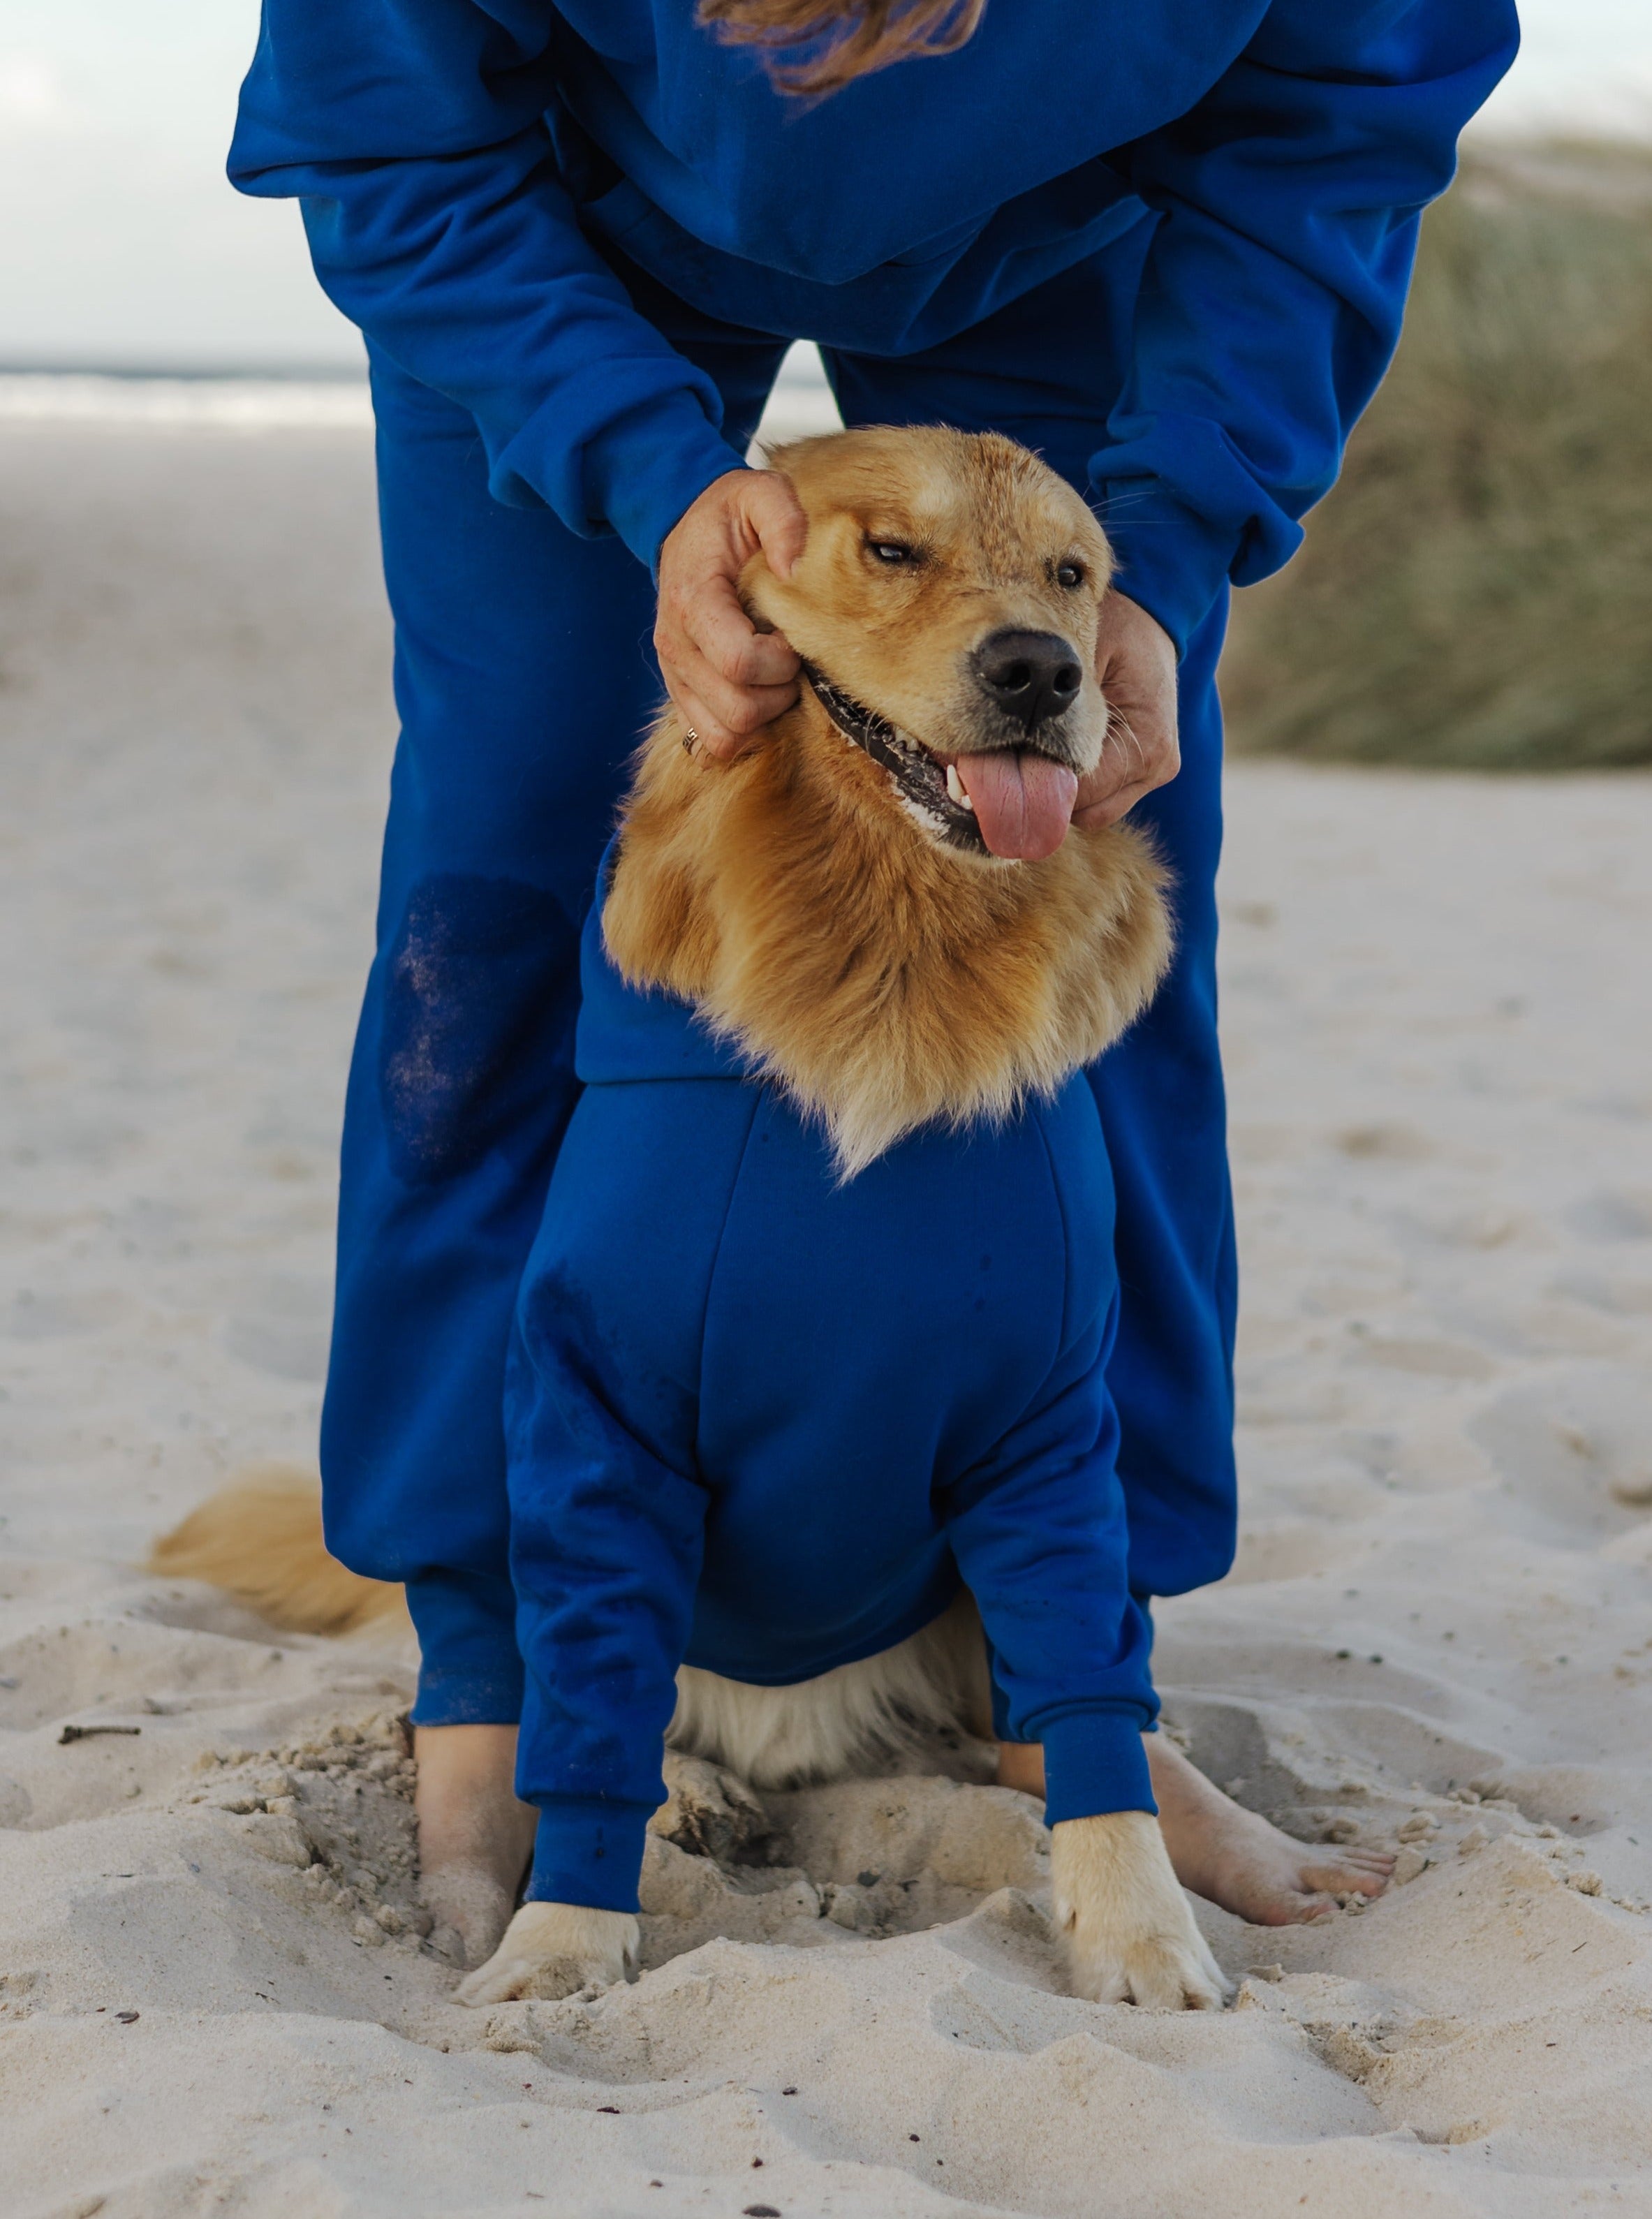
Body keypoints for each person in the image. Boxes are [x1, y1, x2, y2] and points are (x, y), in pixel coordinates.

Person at [230, 0, 1516, 1963]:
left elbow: (1334, 133)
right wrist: (650, 471)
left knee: (1097, 890)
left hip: (1083, 232)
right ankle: (485, 1661)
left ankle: (1068, 1687)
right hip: (559, 220)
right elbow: (384, 130)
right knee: (493, 883)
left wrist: (1160, 552)